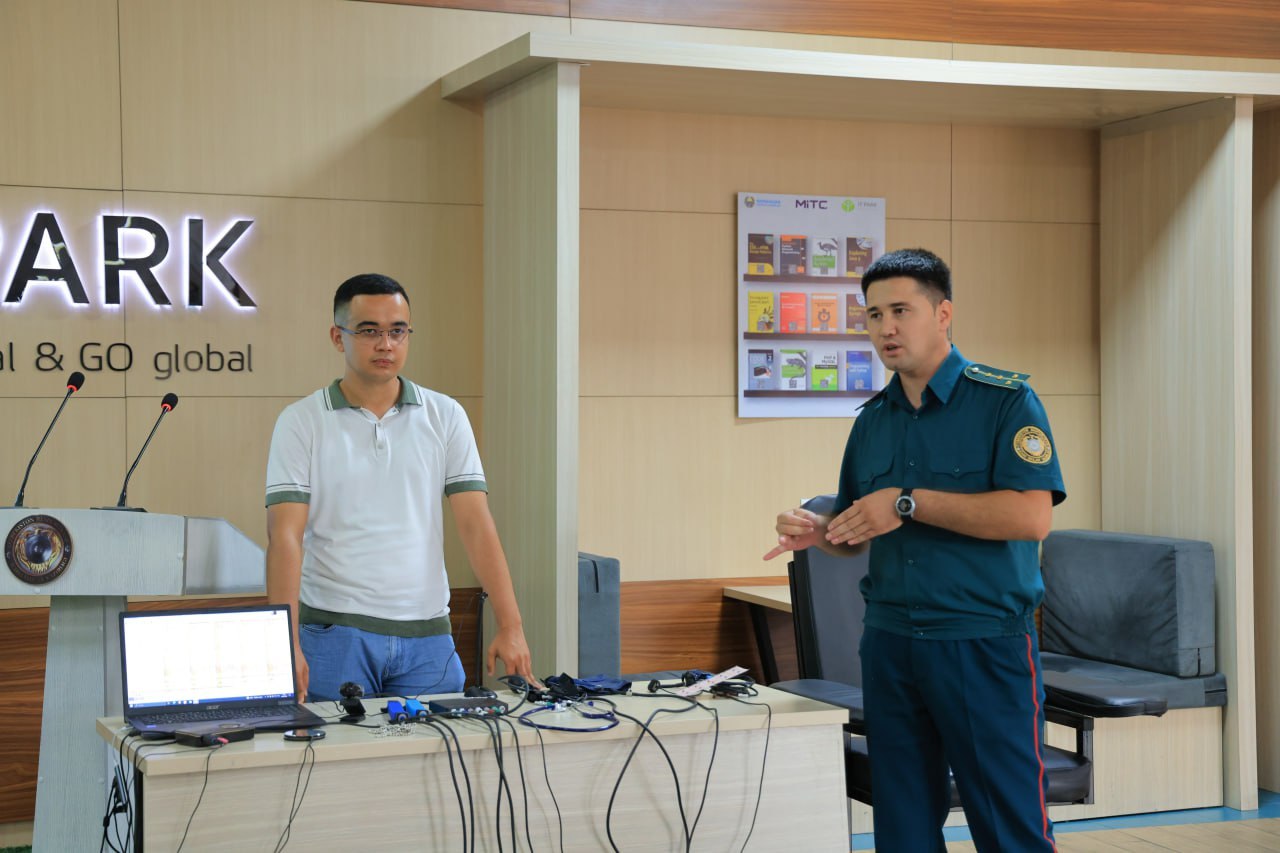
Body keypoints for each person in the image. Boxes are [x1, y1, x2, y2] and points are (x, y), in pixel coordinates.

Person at [765, 248, 1065, 852]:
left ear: (943, 313)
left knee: (1009, 826)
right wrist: (819, 534)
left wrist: (907, 502)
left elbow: (1031, 518)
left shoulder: (1005, 402)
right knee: (901, 827)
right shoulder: (872, 420)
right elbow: (856, 532)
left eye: (900, 310)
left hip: (981, 642)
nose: (885, 328)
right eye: (873, 315)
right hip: (892, 644)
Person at [265, 272, 535, 702]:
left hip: (428, 637)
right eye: (369, 331)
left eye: (397, 331)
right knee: (330, 767)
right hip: (334, 633)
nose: (385, 344)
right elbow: (284, 537)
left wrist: (511, 625)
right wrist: (282, 641)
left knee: (438, 767)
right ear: (338, 337)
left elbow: (475, 524)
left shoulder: (445, 415)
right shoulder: (301, 422)